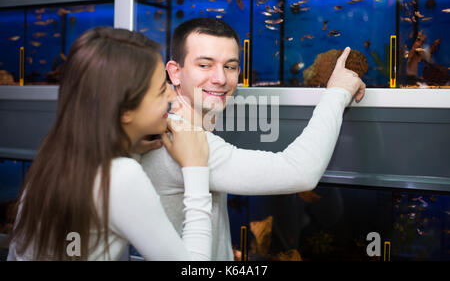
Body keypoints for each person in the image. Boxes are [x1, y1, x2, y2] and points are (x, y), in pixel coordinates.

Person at [136, 18, 366, 260]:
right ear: (175, 72)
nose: (220, 79)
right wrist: (337, 93)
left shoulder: (171, 130)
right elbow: (300, 172)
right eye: (204, 65)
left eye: (230, 66)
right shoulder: (184, 143)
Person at [7, 27, 213, 261]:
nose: (172, 95)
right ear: (125, 110)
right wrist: (196, 168)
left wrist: (128, 147)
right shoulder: (120, 176)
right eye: (159, 90)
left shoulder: (53, 157)